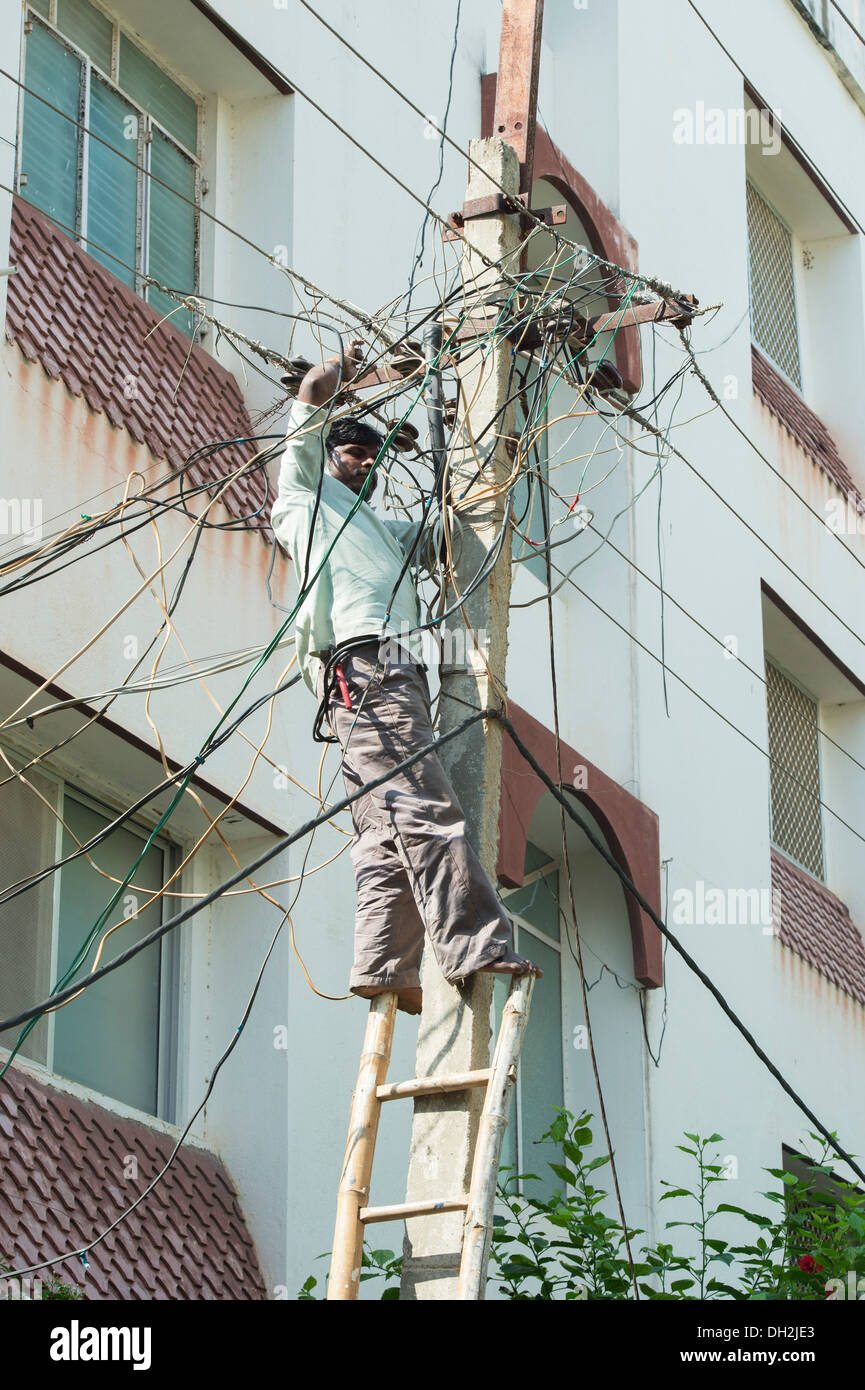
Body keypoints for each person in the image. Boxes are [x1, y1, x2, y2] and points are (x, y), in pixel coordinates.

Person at [271, 342, 541, 1015]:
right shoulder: (306, 503)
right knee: (424, 805)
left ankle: (385, 963)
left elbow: (442, 536)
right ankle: (474, 944)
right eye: (352, 452)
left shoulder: (377, 527)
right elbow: (300, 443)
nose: (364, 463)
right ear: (328, 455)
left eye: (371, 455)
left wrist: (486, 469)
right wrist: (319, 391)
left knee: (383, 830)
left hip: (381, 676)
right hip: (366, 665)